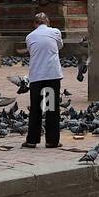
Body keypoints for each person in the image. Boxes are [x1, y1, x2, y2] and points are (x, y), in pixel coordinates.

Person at [22, 13, 63, 149]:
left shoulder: (30, 36)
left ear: (35, 24)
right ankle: (52, 140)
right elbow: (59, 46)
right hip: (52, 75)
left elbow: (31, 50)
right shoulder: (55, 32)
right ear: (48, 22)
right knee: (51, 108)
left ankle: (32, 140)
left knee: (36, 108)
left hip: (37, 76)